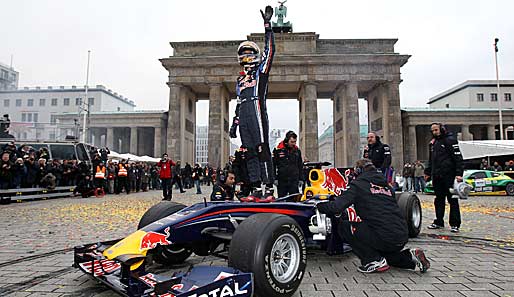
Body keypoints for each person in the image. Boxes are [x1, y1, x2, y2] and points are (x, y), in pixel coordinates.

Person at [317, 159, 430, 274]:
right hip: (401, 236)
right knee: (385, 256)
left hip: (383, 235)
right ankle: (410, 257)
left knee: (345, 227)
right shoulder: (387, 187)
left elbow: (336, 207)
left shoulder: (358, 185)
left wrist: (319, 205)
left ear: (359, 171)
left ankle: (372, 261)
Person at [229, 5, 275, 200]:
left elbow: (270, 51)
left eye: (250, 54)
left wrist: (268, 26)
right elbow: (239, 103)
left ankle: (269, 187)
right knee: (249, 153)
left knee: (261, 148)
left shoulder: (260, 73)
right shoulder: (240, 81)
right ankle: (256, 186)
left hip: (257, 110)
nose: (246, 58)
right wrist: (234, 124)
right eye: (243, 55)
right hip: (245, 113)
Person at [424, 123, 464, 233]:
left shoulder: (450, 140)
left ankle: (455, 224)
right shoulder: (433, 143)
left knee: (453, 200)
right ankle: (439, 221)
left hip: (449, 175)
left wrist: (459, 174)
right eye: (432, 131)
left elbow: (458, 158)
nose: (434, 132)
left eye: (436, 130)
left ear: (441, 129)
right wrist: (427, 172)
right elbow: (431, 159)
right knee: (439, 200)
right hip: (437, 176)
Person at [273, 131, 303, 197]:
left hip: (294, 180)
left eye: (295, 142)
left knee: (295, 198)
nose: (294, 144)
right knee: (282, 199)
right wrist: (274, 178)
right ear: (287, 140)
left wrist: (301, 179)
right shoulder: (278, 150)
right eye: (292, 142)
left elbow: (300, 165)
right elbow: (273, 165)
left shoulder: (297, 151)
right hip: (282, 180)